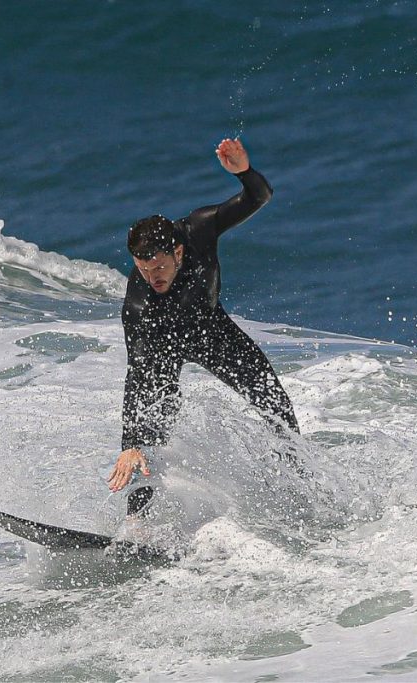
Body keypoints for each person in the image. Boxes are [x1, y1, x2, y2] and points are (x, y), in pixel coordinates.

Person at [107, 138, 301, 512]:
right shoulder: (139, 304)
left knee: (276, 405)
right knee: (149, 440)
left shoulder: (198, 230)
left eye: (160, 267)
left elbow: (258, 197)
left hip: (213, 334)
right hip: (163, 348)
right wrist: (129, 442)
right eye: (144, 270)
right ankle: (137, 524)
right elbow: (137, 372)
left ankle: (299, 487)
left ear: (178, 251)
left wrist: (244, 172)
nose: (153, 277)